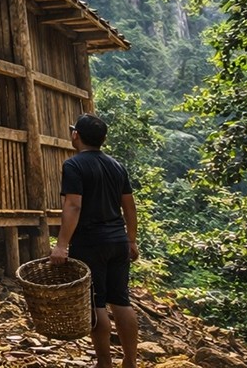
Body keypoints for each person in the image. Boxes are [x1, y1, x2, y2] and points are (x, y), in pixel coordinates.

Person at [50, 113, 139, 368]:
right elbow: (129, 207)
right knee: (121, 301)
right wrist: (131, 240)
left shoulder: (74, 165)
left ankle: (104, 362)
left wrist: (61, 245)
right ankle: (130, 362)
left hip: (90, 244)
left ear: (76, 135)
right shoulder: (117, 166)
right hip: (118, 242)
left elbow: (73, 205)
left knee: (96, 303)